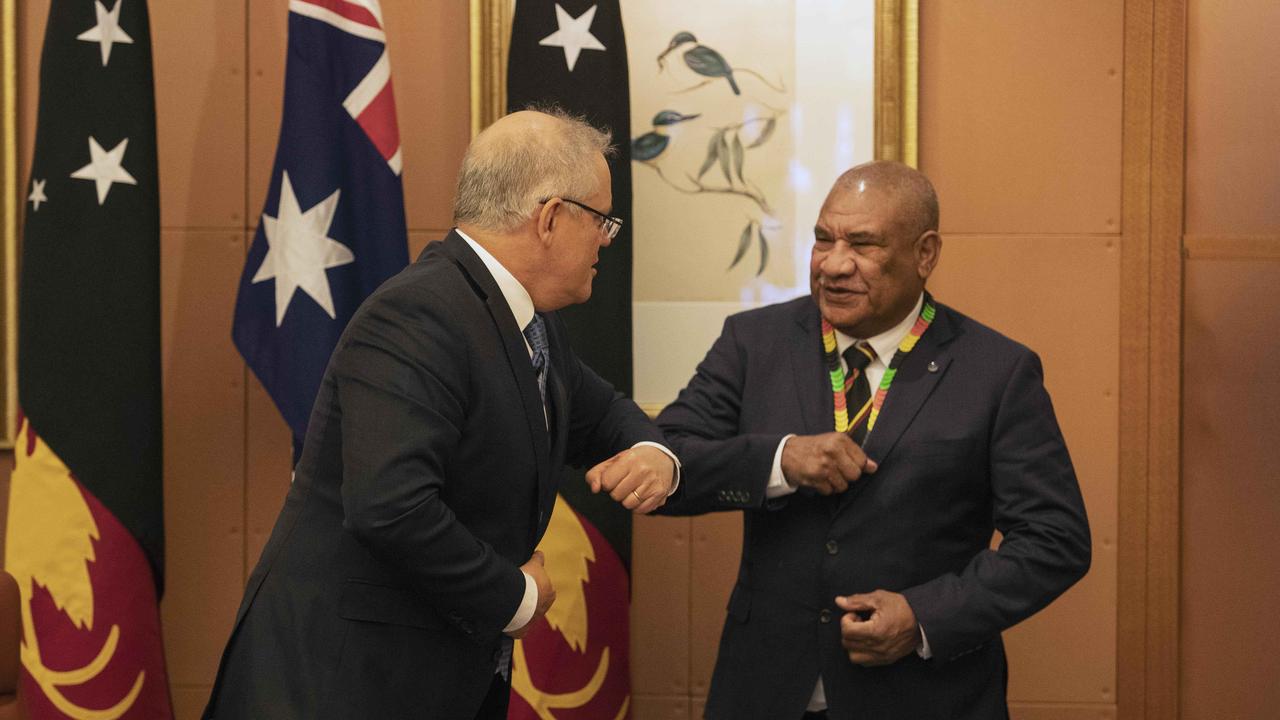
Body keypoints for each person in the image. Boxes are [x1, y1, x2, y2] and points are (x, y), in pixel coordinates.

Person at [203, 109, 678, 720]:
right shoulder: (420, 314)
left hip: (428, 678)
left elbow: (604, 410)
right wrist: (517, 597)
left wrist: (651, 452)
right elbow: (390, 505)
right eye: (601, 220)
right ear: (552, 217)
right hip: (342, 683)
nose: (607, 239)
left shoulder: (530, 322)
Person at [656, 161, 1090, 719]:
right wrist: (780, 460)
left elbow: (1056, 539)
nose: (834, 265)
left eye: (862, 244)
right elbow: (666, 461)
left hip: (924, 696)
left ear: (925, 254)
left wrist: (925, 617)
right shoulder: (754, 343)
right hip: (764, 691)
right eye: (822, 240)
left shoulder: (996, 371)